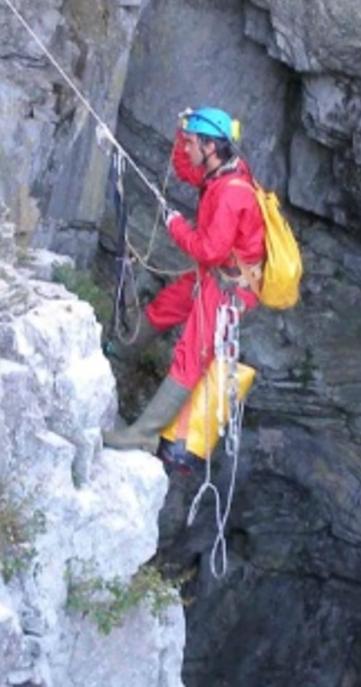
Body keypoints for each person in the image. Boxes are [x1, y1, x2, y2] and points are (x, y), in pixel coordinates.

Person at [104, 107, 267, 452]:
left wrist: (175, 225)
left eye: (192, 142)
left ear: (210, 146)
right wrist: (182, 131)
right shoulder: (219, 172)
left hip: (228, 289)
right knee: (165, 306)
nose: (188, 148)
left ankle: (145, 433)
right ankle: (120, 351)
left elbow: (209, 250)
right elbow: (182, 167)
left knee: (191, 355)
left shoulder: (231, 193)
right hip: (216, 275)